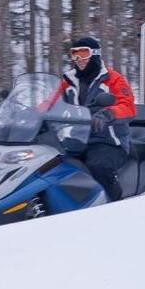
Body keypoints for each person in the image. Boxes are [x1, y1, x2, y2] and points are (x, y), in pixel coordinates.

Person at [53, 36, 135, 201]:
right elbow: (50, 103)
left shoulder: (114, 79)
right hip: (77, 140)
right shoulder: (68, 81)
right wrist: (29, 114)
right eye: (75, 54)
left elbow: (128, 107)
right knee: (52, 164)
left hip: (109, 142)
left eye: (84, 53)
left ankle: (115, 204)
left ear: (95, 54)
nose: (79, 60)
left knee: (98, 166)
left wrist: (108, 113)